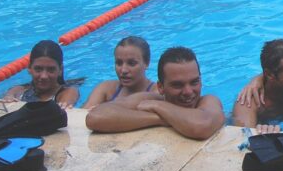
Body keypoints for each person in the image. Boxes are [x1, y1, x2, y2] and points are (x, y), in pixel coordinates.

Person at [85, 47, 224, 140]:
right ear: (161, 87)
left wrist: (158, 107)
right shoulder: (150, 98)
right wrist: (158, 119)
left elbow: (201, 126)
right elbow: (95, 117)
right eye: (177, 85)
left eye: (194, 82)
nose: (188, 92)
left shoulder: (208, 101)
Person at [4, 40, 80, 108]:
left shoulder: (68, 92)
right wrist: (8, 98)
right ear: (29, 68)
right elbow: (7, 100)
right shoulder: (19, 90)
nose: (44, 76)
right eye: (38, 69)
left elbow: (64, 107)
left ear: (60, 70)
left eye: (51, 69)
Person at [83, 36, 155, 108]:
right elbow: (83, 113)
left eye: (131, 63)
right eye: (119, 63)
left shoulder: (157, 92)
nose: (124, 70)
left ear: (147, 63)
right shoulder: (106, 89)